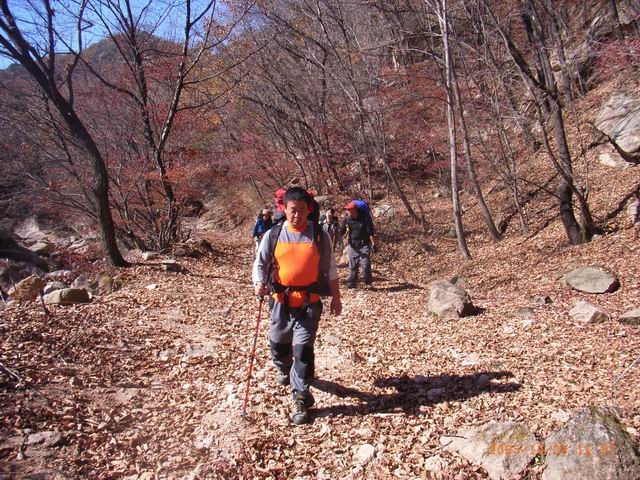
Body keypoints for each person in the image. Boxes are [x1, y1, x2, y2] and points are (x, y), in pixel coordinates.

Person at [252, 187, 342, 425]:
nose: (297, 215)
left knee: (303, 350)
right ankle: (283, 366)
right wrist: (259, 283)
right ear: (284, 209)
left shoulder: (320, 235)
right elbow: (260, 263)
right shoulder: (273, 234)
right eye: (293, 210)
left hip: (309, 303)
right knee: (278, 342)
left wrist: (336, 297)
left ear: (308, 209)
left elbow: (331, 268)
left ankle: (301, 396)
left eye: (302, 210)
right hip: (280, 301)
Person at [341, 200, 376, 288]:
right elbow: (342, 231)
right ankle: (351, 284)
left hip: (364, 244)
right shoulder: (347, 218)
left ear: (354, 210)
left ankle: (368, 283)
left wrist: (373, 244)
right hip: (352, 244)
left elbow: (370, 232)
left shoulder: (364, 218)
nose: (347, 211)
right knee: (352, 265)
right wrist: (337, 231)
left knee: (365, 264)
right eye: (347, 210)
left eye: (349, 210)